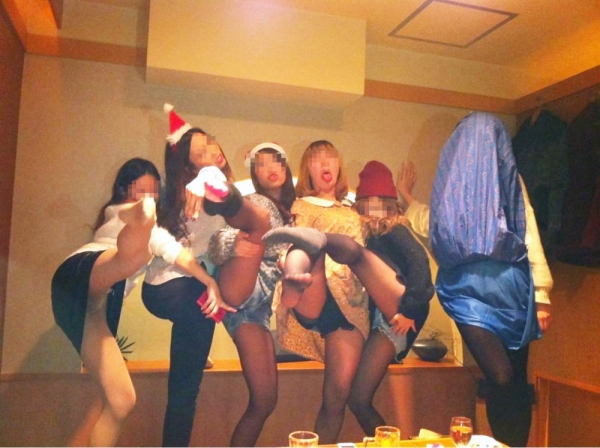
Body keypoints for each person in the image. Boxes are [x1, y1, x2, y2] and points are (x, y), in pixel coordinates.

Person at [397, 112, 552, 447]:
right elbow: (437, 225)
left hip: (511, 285)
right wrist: (407, 198)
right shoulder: (452, 179)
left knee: (514, 379)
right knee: (501, 375)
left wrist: (541, 293)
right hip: (466, 289)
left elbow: (527, 229)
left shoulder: (508, 176)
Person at [265, 160, 434, 437]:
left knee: (356, 255)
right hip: (384, 318)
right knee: (358, 399)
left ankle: (318, 239)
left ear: (389, 205)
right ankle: (390, 444)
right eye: (365, 203)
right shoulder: (369, 231)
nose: (370, 209)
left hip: (404, 309)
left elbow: (421, 268)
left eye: (378, 203)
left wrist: (409, 311)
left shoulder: (394, 228)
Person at [141, 104, 268, 447]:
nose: (213, 152)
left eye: (211, 143)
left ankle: (194, 356)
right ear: (188, 167)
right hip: (172, 285)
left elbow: (230, 199)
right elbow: (216, 189)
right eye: (201, 154)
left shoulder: (214, 189)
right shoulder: (199, 191)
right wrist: (204, 178)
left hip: (176, 292)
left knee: (185, 386)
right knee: (189, 375)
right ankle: (195, 353)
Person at [265, 140, 371, 444]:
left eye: (330, 158)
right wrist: (287, 260)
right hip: (316, 285)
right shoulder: (302, 205)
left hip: (351, 302)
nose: (325, 164)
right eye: (317, 160)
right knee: (309, 246)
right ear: (307, 170)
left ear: (339, 166)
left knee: (337, 395)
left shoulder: (353, 209)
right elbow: (290, 241)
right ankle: (292, 280)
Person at [51, 158, 159, 446]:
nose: (149, 197)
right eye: (142, 191)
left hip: (95, 304)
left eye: (154, 193)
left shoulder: (153, 232)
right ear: (125, 189)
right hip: (79, 274)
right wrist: (143, 214)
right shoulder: (118, 212)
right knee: (136, 255)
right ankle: (138, 225)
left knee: (121, 400)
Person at [207, 143, 295, 446]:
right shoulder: (257, 200)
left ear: (286, 168)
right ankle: (224, 195)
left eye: (276, 162)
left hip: (256, 308)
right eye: (261, 164)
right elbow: (216, 243)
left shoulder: (292, 212)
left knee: (265, 401)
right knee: (259, 220)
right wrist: (234, 242)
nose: (270, 169)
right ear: (254, 175)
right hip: (240, 286)